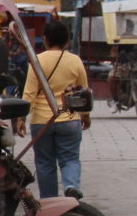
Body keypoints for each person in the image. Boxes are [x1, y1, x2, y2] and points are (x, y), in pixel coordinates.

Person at [14, 20, 90, 200]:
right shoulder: (75, 61)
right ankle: (71, 186)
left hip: (42, 121)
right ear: (67, 41)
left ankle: (49, 201)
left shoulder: (37, 61)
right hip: (69, 119)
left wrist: (20, 118)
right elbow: (83, 92)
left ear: (46, 40)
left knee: (44, 163)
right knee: (70, 159)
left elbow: (29, 93)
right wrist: (86, 116)